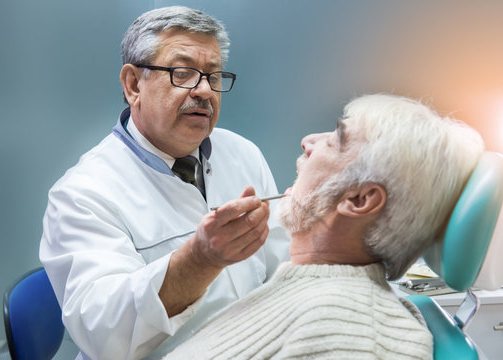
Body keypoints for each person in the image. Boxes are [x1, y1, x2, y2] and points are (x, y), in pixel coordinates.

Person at [39, 6, 290, 360]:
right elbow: (107, 337)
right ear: (133, 85)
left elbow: (282, 265)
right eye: (183, 73)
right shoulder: (82, 194)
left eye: (214, 76)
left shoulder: (243, 153)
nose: (204, 90)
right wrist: (200, 260)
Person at [163, 94, 484, 360]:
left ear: (359, 200)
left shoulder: (346, 332)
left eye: (336, 140)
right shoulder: (309, 297)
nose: (308, 142)